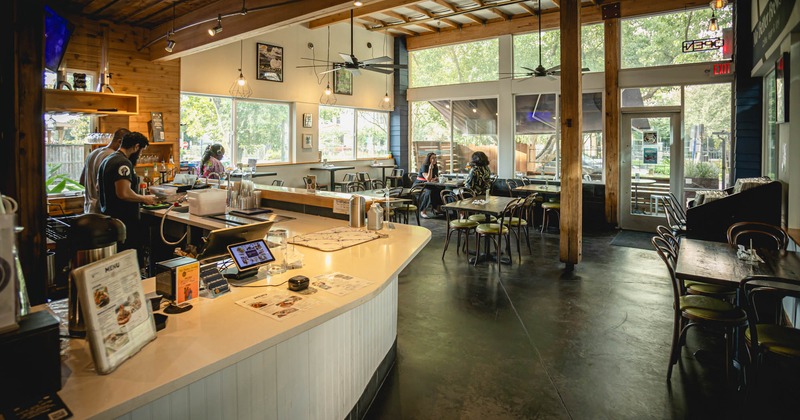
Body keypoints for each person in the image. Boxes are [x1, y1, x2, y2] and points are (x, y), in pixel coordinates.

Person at [97, 131, 157, 259]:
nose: (140, 155)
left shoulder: (108, 159)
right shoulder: (123, 163)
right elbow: (123, 193)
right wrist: (144, 198)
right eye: (141, 151)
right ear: (136, 147)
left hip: (110, 218)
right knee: (128, 259)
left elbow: (98, 187)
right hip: (124, 221)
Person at [80, 128, 129, 213]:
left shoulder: (93, 153)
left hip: (88, 208)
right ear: (119, 142)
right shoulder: (112, 157)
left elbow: (82, 181)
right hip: (102, 209)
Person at [414, 153, 442, 218]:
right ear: (429, 159)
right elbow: (428, 179)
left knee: (439, 190)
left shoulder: (436, 167)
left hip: (428, 184)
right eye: (432, 158)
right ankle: (423, 211)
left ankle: (436, 208)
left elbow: (434, 178)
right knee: (429, 192)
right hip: (420, 185)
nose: (434, 159)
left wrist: (436, 178)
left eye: (435, 158)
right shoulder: (425, 166)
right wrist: (430, 169)